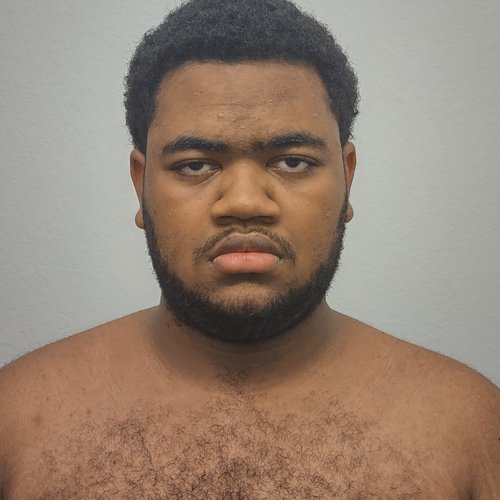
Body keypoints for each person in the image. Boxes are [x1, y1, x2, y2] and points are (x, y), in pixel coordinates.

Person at [0, 0, 498, 497]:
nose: (244, 203)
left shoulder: (468, 427)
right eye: (195, 165)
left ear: (347, 178)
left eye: (293, 162)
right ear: (140, 184)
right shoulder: (16, 419)